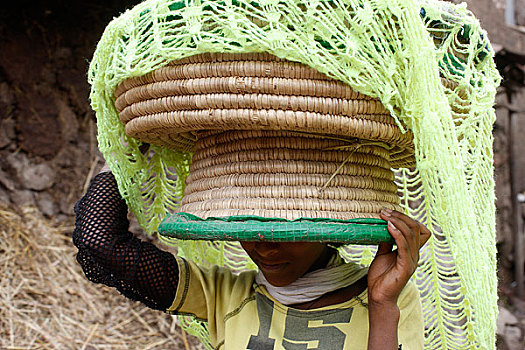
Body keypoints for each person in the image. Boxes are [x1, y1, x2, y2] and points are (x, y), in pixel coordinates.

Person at [73, 165, 431, 349]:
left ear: (328, 229)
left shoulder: (386, 299)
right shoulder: (224, 297)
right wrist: (126, 151)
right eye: (248, 229)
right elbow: (100, 243)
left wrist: (383, 305)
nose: (263, 248)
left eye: (283, 233)